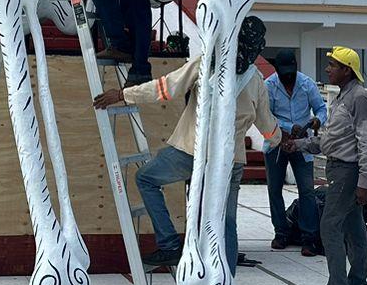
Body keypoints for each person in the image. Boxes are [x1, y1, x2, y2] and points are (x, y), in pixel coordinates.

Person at [94, 15, 278, 270]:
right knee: (226, 222)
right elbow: (267, 127)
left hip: (193, 152)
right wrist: (279, 139)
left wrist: (123, 94)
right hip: (231, 161)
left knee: (146, 179)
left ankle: (169, 245)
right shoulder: (256, 79)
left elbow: (164, 88)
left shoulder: (207, 64)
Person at [285, 47, 367, 285]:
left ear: (347, 70)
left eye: (333, 65)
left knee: (329, 228)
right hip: (342, 170)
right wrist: (298, 145)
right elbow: (331, 140)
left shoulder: (359, 99)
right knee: (354, 228)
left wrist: (363, 182)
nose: (327, 70)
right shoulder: (343, 98)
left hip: (347, 172)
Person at [263, 50, 328, 256]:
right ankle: (281, 232)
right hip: (276, 143)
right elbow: (266, 115)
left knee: (307, 191)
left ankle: (309, 238)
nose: (288, 76)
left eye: (291, 72)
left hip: (302, 145)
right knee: (274, 189)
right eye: (284, 73)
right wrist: (288, 128)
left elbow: (321, 108)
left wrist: (318, 119)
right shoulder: (269, 85)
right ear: (277, 70)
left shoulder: (307, 84)